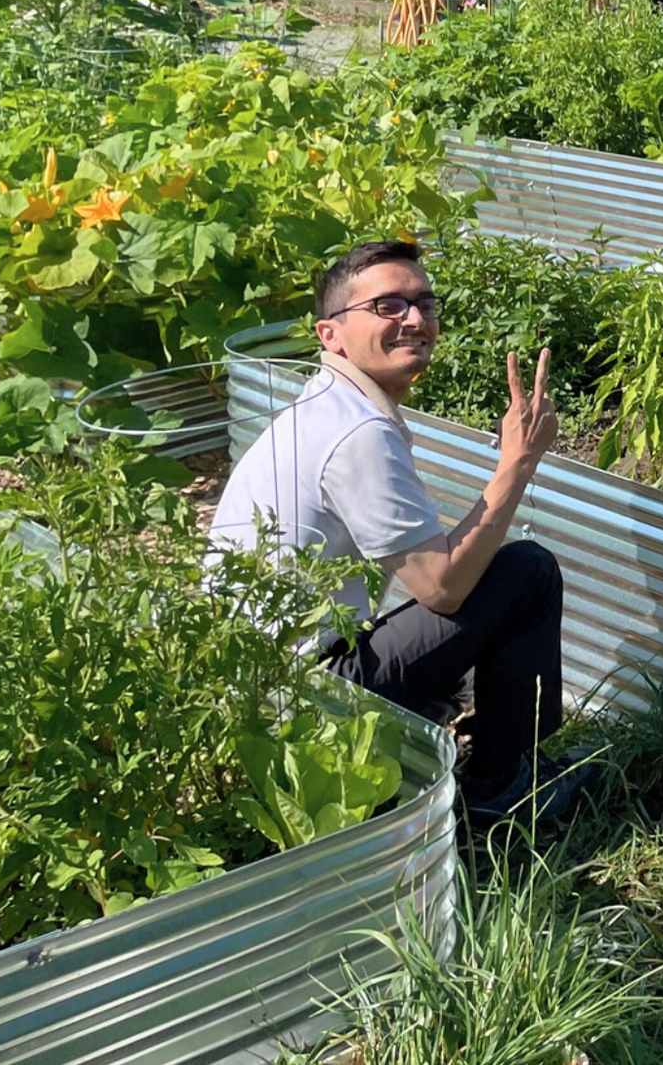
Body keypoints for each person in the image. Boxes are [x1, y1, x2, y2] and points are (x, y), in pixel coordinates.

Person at [207, 240, 584, 828]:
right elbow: (441, 587)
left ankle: (444, 736)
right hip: (309, 697)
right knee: (526, 574)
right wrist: (518, 460)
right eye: (387, 306)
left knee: (480, 579)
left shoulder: (328, 407)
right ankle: (500, 791)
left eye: (424, 303)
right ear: (330, 335)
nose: (414, 319)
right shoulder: (356, 433)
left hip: (261, 682)